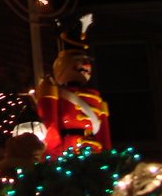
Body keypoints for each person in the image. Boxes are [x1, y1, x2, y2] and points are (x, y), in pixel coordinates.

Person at [35, 14, 110, 157]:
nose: (86, 65)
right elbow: (49, 124)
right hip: (68, 149)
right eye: (79, 60)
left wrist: (108, 155)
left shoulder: (97, 97)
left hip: (94, 150)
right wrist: (53, 154)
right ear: (62, 65)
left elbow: (104, 134)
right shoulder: (53, 91)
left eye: (86, 61)